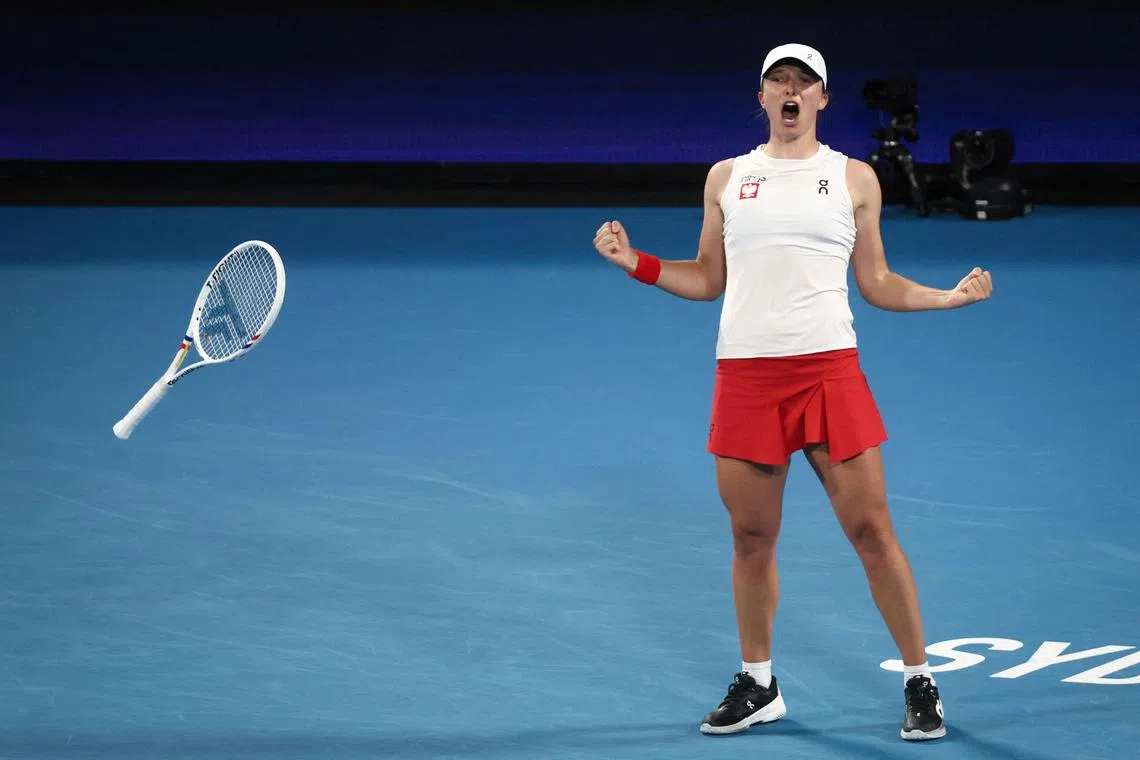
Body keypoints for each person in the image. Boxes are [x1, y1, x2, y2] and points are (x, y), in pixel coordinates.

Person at [591, 42, 992, 742]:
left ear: (822, 100)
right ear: (762, 96)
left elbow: (877, 283)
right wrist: (637, 264)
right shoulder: (726, 177)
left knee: (871, 532)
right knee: (751, 537)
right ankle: (759, 682)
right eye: (778, 81)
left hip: (828, 373)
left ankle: (919, 679)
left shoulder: (853, 178)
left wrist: (944, 300)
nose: (790, 92)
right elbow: (709, 278)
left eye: (803, 84)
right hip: (746, 377)